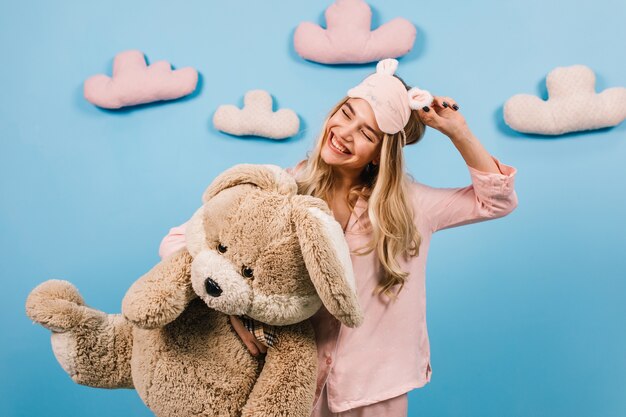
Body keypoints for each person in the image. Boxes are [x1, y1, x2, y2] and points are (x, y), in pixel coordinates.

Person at [158, 58, 518, 417]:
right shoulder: (284, 191)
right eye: (346, 114)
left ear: (381, 153)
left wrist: (459, 130)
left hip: (375, 392)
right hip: (289, 384)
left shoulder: (410, 206)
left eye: (367, 133)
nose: (345, 132)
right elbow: (181, 241)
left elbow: (496, 201)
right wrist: (235, 309)